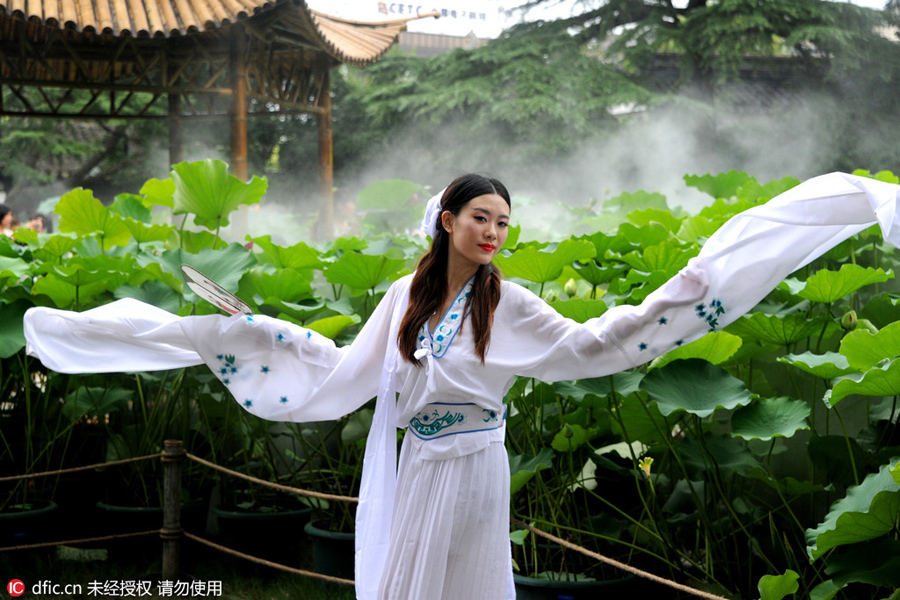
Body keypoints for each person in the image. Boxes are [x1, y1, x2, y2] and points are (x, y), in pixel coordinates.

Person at [23, 172, 900, 599]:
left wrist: (680, 300)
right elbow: (344, 375)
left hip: (476, 467)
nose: (494, 232)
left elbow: (595, 342)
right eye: (482, 217)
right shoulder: (403, 299)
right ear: (446, 219)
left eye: (505, 224)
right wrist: (261, 334)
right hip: (417, 472)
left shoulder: (507, 304)